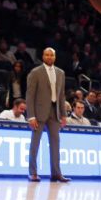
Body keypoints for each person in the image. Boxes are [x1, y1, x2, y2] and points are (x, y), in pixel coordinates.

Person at [25, 48, 69, 183]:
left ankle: (56, 173)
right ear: (43, 56)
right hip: (38, 113)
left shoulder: (61, 73)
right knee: (35, 143)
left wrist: (64, 114)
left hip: (55, 112)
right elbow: (30, 95)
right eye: (47, 55)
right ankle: (33, 173)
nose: (49, 57)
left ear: (55, 57)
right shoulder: (35, 72)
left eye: (52, 55)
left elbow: (61, 95)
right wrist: (31, 116)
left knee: (56, 144)